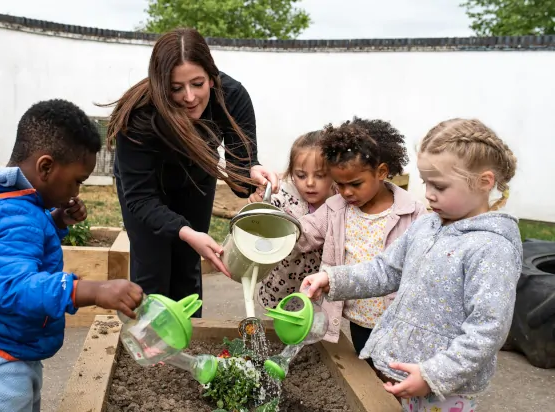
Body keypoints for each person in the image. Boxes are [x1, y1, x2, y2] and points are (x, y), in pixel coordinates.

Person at [0, 99, 144, 412]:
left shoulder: (9, 201)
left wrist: (55, 221)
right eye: (77, 181)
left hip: (6, 349)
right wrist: (93, 290)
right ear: (46, 167)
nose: (77, 192)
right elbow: (17, 286)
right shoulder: (15, 216)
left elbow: (13, 245)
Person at [302, 118, 520, 411]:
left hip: (446, 387)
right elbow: (385, 270)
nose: (428, 194)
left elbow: (487, 330)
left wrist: (433, 375)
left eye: (439, 186)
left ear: (484, 182)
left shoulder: (492, 248)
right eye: (426, 182)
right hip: (406, 368)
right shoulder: (427, 226)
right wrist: (332, 279)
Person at [104, 28, 279, 316]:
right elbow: (141, 199)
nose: (189, 97)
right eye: (175, 88)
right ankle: (153, 353)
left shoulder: (231, 97)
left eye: (198, 83)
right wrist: (185, 231)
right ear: (160, 85)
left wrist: (253, 173)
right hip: (146, 191)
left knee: (187, 265)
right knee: (152, 267)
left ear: (212, 76)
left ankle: (189, 341)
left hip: (196, 180)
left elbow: (241, 170)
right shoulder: (137, 115)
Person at [296, 118, 426, 353]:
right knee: (367, 373)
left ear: (382, 172)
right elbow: (305, 232)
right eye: (340, 184)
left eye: (355, 184)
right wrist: (279, 227)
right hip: (359, 319)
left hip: (397, 321)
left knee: (394, 379)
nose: (346, 192)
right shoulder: (335, 208)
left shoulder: (412, 213)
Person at [247, 130, 337, 314]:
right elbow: (264, 214)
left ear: (334, 174)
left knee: (314, 325)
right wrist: (259, 204)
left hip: (317, 289)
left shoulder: (339, 202)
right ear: (291, 173)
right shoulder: (283, 198)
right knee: (281, 324)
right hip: (282, 285)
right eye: (301, 175)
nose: (310, 183)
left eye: (320, 175)